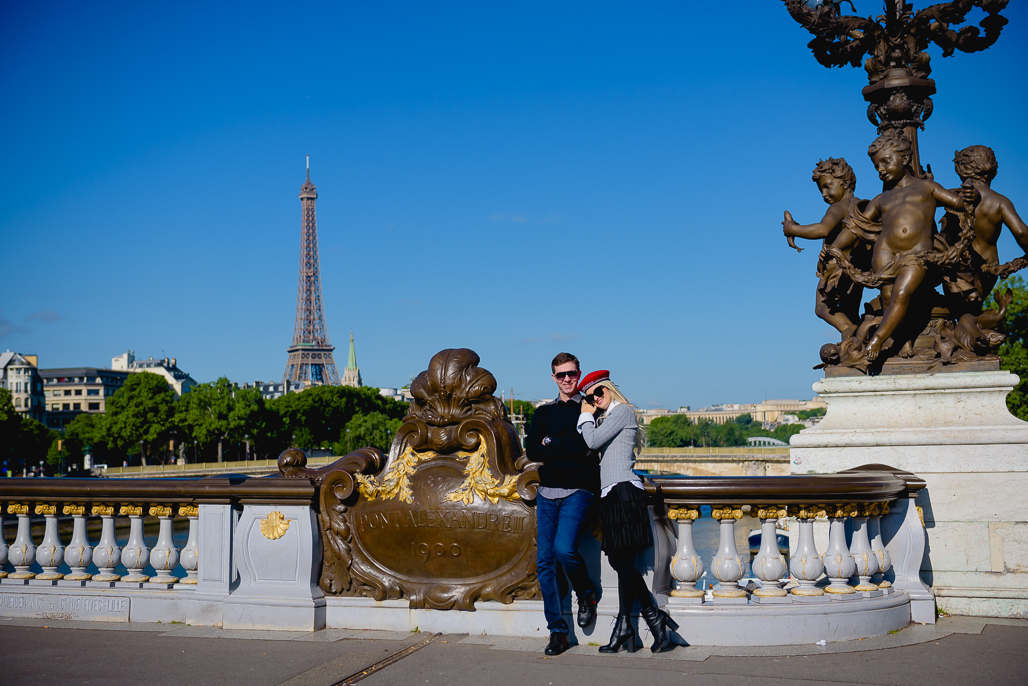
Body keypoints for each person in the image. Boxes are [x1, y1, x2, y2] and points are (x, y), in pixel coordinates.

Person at [576, 370, 678, 654]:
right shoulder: (608, 417)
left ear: (609, 388)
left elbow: (592, 441)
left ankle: (653, 616)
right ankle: (624, 626)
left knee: (620, 561)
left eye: (598, 392)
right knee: (624, 565)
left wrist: (584, 416)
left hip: (623, 492)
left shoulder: (622, 412)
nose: (595, 399)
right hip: (612, 494)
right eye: (590, 397)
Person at [850, 130, 973, 361]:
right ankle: (903, 338)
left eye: (886, 161)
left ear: (905, 158)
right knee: (888, 296)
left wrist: (970, 195)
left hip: (917, 254)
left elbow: (958, 203)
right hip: (884, 252)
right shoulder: (881, 198)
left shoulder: (927, 188)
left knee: (902, 293)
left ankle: (878, 338)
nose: (881, 169)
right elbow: (857, 226)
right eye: (877, 166)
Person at [525, 352, 600, 656]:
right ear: (553, 378)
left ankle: (586, 592)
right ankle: (558, 631)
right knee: (544, 561)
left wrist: (551, 443)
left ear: (579, 374)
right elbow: (532, 450)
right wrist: (566, 447)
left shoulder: (591, 407)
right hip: (547, 492)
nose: (567, 379)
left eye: (572, 374)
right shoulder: (544, 412)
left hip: (579, 489)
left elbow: (587, 449)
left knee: (564, 549)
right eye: (561, 375)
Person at [782, 157, 867, 338]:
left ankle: (848, 330)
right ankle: (856, 338)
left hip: (837, 268)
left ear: (845, 183)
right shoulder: (858, 206)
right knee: (849, 310)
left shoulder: (839, 206)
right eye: (821, 189)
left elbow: (823, 229)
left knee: (822, 307)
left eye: (827, 186)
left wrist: (792, 229)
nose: (823, 194)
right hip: (856, 266)